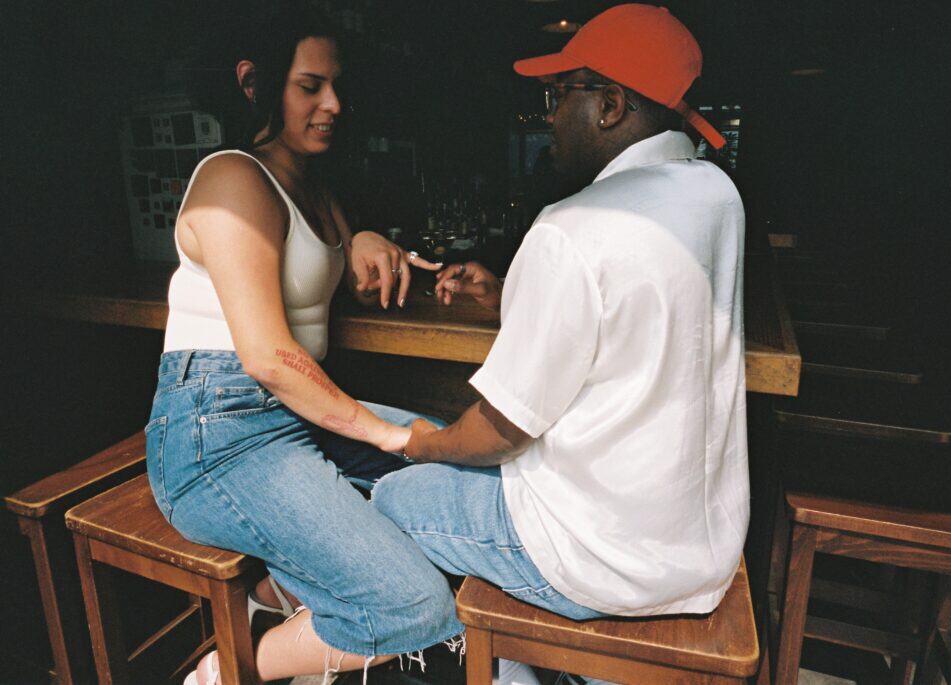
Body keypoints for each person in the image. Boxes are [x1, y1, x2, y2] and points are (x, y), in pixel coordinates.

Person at [373, 4, 748, 678]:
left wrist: (421, 444)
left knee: (394, 496)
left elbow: (502, 431)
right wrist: (509, 297)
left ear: (609, 106)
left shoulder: (571, 227)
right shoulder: (717, 196)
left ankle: (505, 667)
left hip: (595, 557)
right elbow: (633, 320)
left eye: (558, 96)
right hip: (698, 550)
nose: (547, 116)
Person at [147, 6, 462, 684]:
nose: (334, 104)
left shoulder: (311, 186)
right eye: (310, 86)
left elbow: (323, 269)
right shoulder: (232, 179)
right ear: (253, 82)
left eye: (336, 86)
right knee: (414, 603)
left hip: (289, 415)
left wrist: (366, 244)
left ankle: (282, 592)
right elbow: (265, 354)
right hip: (217, 434)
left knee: (459, 469)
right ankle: (227, 671)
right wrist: (381, 433)